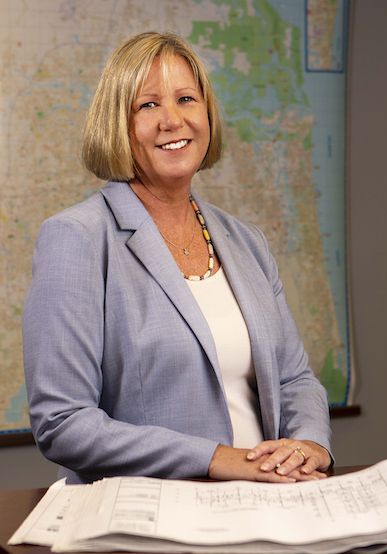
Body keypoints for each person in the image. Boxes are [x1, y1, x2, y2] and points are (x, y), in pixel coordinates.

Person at [23, 31, 332, 485]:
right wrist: (218, 458)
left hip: (264, 510)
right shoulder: (77, 239)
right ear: (118, 124)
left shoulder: (248, 243)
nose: (172, 120)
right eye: (148, 105)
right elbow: (63, 423)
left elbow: (295, 380)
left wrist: (309, 445)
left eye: (186, 98)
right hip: (145, 524)